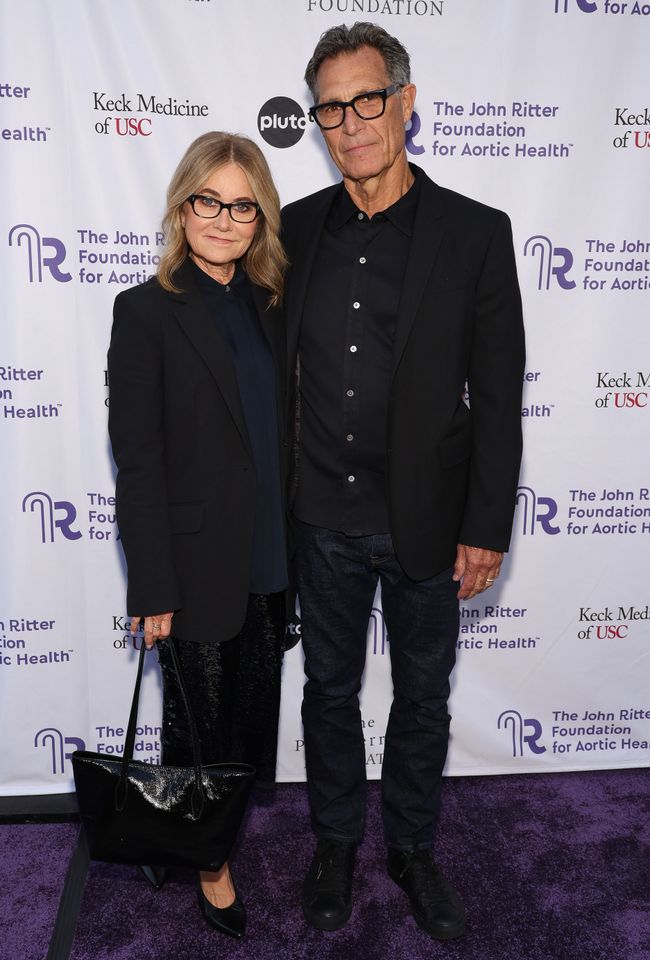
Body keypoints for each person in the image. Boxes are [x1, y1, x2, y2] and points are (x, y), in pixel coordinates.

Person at [282, 23, 525, 941]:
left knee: (425, 696)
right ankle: (338, 841)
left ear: (406, 103)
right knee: (328, 693)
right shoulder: (294, 229)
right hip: (320, 516)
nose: (350, 123)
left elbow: (499, 397)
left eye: (367, 100)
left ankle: (413, 847)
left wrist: (488, 524)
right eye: (332, 108)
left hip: (428, 518)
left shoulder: (475, 233)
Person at [107, 131, 289, 941]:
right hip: (190, 559)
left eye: (241, 205)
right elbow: (137, 463)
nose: (224, 219)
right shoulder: (145, 310)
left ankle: (179, 835)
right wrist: (150, 588)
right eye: (208, 201)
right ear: (183, 208)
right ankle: (210, 863)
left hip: (270, 552)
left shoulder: (270, 303)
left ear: (260, 218)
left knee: (249, 722)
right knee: (199, 723)